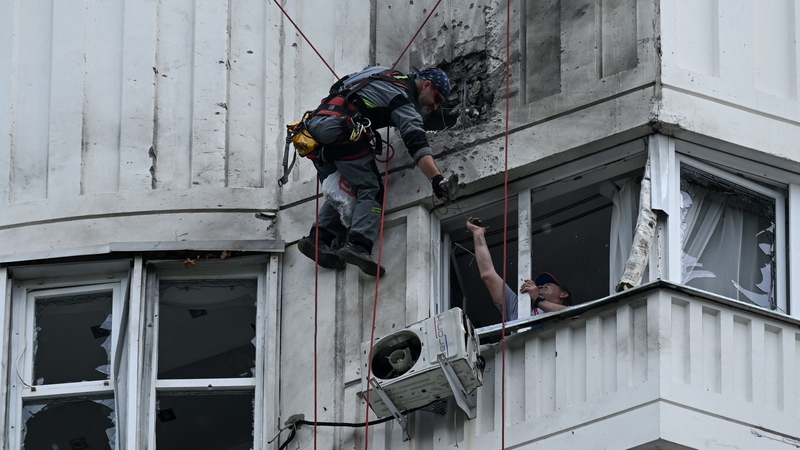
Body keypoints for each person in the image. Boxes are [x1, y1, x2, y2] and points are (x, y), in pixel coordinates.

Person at [297, 66, 452, 276]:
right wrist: (436, 178)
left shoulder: (383, 72)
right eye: (437, 98)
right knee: (370, 188)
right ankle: (358, 245)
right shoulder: (403, 99)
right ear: (426, 85)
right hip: (342, 129)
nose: (435, 106)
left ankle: (318, 239)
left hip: (315, 126)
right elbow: (416, 143)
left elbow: (345, 82)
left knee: (349, 185)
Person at [466, 218, 571, 321]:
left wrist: (537, 299)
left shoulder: (574, 319)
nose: (540, 286)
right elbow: (488, 274)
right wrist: (478, 233)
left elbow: (570, 313)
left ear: (563, 294)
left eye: (548, 284)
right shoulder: (519, 312)